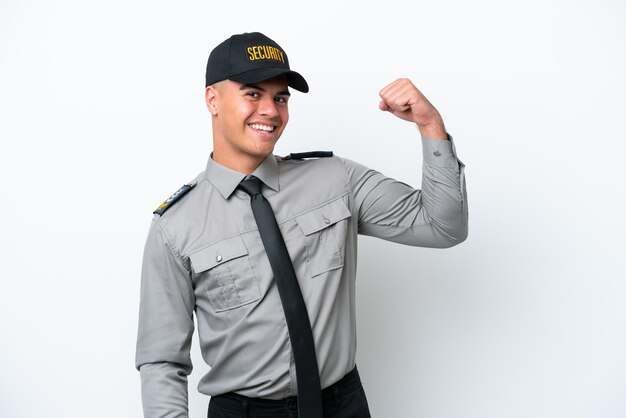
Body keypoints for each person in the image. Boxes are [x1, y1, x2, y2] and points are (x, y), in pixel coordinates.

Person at [135, 31, 468, 418]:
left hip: (343, 405)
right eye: (252, 94)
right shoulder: (175, 226)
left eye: (280, 97)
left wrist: (429, 125)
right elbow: (162, 361)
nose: (271, 111)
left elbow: (443, 226)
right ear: (213, 99)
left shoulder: (335, 179)